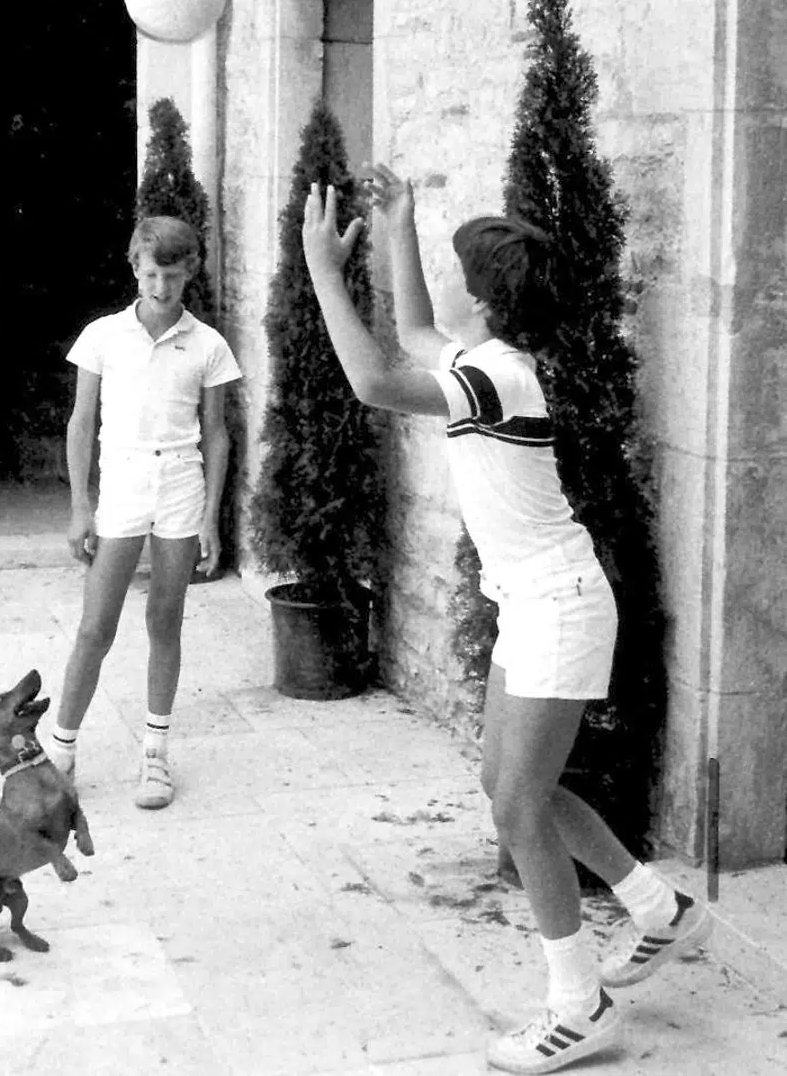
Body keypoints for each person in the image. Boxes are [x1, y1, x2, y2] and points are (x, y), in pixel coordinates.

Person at [300, 166, 710, 1074]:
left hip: (559, 605)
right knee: (508, 783)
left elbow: (373, 379)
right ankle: (657, 909)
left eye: (454, 267)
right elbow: (409, 334)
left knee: (519, 802)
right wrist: (399, 222)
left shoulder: (494, 376)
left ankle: (579, 1001)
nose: (444, 280)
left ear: (483, 301)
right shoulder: (484, 362)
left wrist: (323, 271)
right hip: (537, 601)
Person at [46, 216, 241, 809]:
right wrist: (81, 506)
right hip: (124, 483)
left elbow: (217, 434)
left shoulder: (207, 344)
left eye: (174, 277)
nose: (161, 288)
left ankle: (155, 756)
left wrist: (210, 517)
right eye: (152, 274)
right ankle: (60, 755)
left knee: (165, 619)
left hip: (180, 483)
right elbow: (82, 423)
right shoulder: (103, 336)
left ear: (190, 275)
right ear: (135, 268)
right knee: (94, 626)